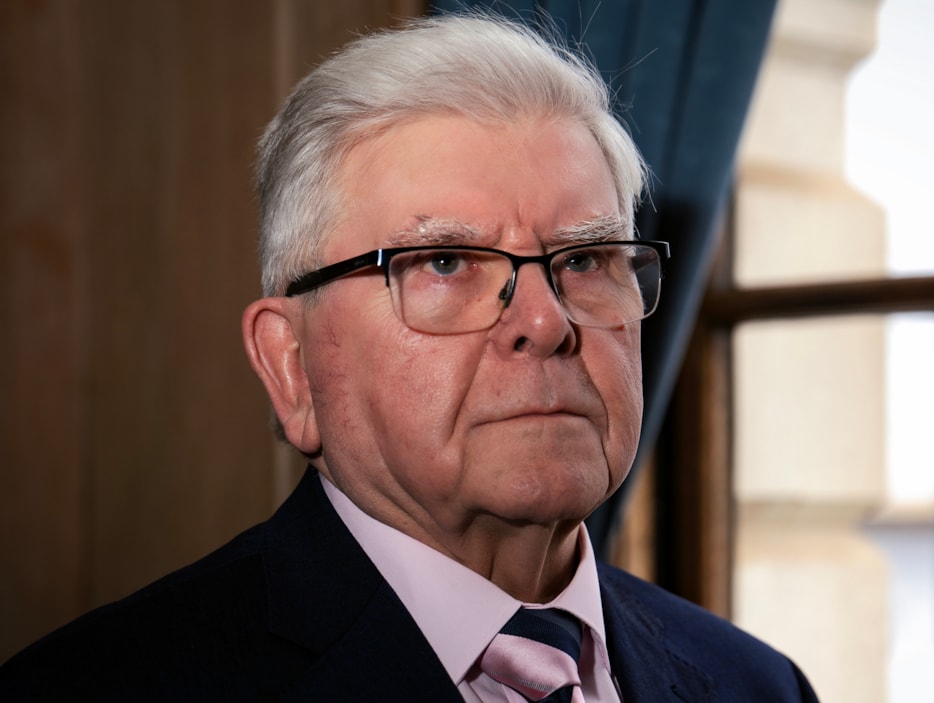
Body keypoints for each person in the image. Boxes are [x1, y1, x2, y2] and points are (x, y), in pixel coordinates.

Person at [0, 13, 818, 702]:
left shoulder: (758, 685)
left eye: (584, 259)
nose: (544, 320)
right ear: (291, 366)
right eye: (446, 263)